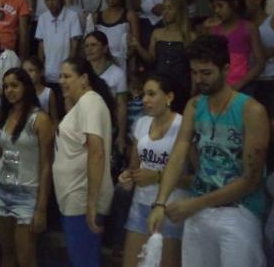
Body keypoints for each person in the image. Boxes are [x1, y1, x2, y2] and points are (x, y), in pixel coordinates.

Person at [147, 35, 269, 267]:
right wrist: (160, 202)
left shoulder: (251, 111)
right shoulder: (194, 105)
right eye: (194, 72)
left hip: (239, 211)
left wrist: (195, 204)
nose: (198, 79)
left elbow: (250, 179)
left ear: (226, 69)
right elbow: (178, 153)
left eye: (206, 73)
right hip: (199, 209)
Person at [118, 74, 191, 267]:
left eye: (151, 94)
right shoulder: (141, 123)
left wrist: (157, 177)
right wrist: (127, 176)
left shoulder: (183, 126)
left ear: (169, 97)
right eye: (144, 94)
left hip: (171, 209)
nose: (145, 100)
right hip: (140, 205)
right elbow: (134, 167)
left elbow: (196, 178)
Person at [0, 68, 54, 267]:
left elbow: (46, 166)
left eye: (14, 85)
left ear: (26, 86)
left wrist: (41, 208)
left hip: (28, 193)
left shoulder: (40, 119)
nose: (9, 90)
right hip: (1, 190)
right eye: (6, 86)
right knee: (7, 254)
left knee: (26, 259)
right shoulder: (4, 115)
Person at [54, 57, 115, 267]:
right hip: (73, 196)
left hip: (82, 197)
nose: (61, 81)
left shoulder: (90, 102)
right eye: (60, 76)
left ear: (84, 78)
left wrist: (91, 202)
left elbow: (96, 152)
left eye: (67, 76)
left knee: (84, 261)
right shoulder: (82, 104)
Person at [130, 0, 196, 112]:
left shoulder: (190, 36)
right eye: (164, 8)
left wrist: (194, 88)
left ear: (179, 11)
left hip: (182, 84)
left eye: (170, 8)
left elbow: (193, 66)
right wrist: (138, 46)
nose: (165, 12)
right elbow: (151, 59)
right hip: (160, 84)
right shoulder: (157, 33)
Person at [209, 0, 265, 92]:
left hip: (244, 87)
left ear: (234, 4)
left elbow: (260, 63)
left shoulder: (249, 28)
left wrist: (239, 84)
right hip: (221, 87)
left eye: (220, 6)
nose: (217, 10)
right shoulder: (214, 31)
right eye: (214, 7)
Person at [35, 0, 81, 100]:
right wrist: (40, 71)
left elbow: (75, 45)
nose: (50, 3)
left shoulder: (72, 16)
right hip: (47, 74)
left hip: (65, 76)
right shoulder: (43, 18)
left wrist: (68, 70)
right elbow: (41, 46)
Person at [84, 31, 127, 153]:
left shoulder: (117, 74)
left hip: (108, 127)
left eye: (93, 45)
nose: (89, 49)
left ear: (104, 48)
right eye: (86, 46)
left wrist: (121, 136)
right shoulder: (81, 72)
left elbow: (121, 106)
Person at [239, 0, 274, 127]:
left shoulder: (271, 21)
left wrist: (261, 52)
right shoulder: (241, 27)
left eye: (243, 0)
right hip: (251, 82)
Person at [90, 0, 139, 69]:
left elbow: (135, 44)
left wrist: (120, 59)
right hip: (99, 64)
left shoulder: (129, 15)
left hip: (121, 64)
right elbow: (90, 43)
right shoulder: (96, 16)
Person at [22, 57, 58, 124]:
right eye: (24, 71)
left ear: (41, 72)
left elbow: (54, 118)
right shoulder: (20, 92)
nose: (27, 74)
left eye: (31, 70)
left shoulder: (48, 92)